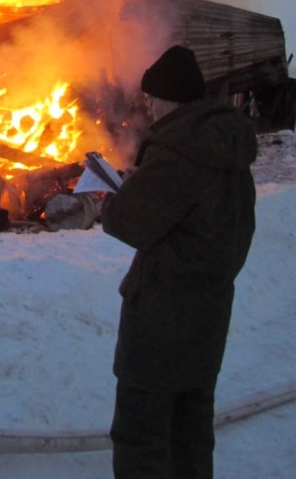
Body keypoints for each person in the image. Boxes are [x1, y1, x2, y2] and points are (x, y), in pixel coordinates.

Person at [101, 45, 257, 478]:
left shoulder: (178, 150)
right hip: (206, 319)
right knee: (190, 433)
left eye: (152, 98)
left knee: (142, 440)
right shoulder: (229, 150)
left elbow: (127, 223)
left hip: (159, 323)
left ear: (171, 97)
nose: (148, 107)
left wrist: (115, 198)